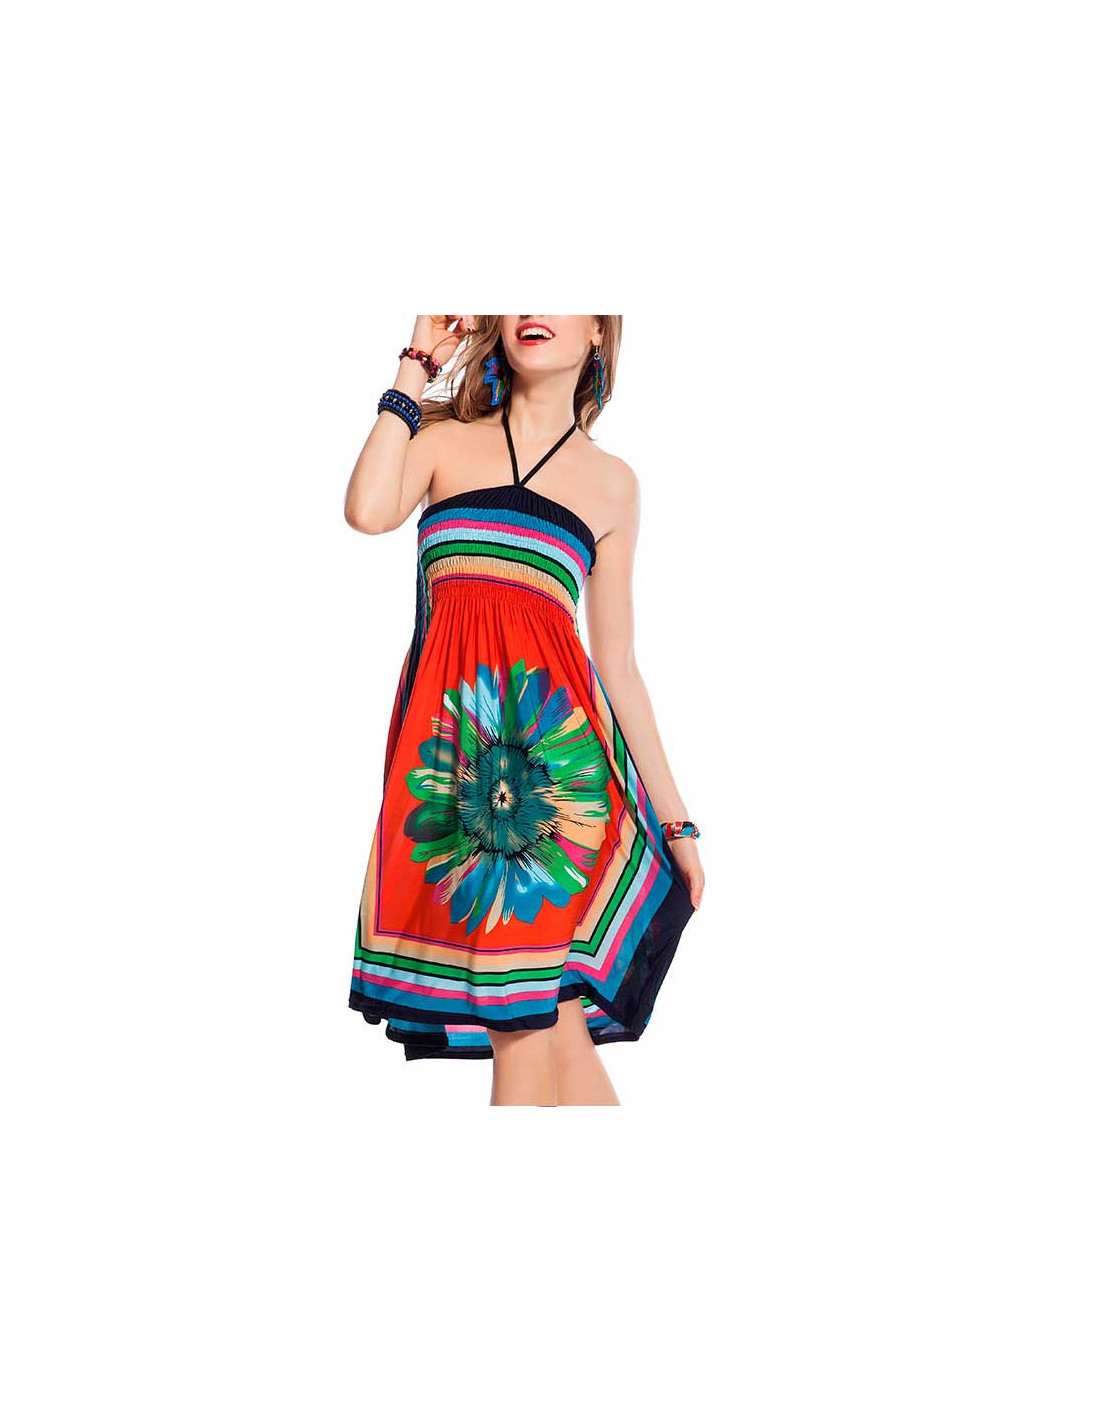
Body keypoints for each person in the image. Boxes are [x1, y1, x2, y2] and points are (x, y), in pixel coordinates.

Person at [345, 316, 704, 1106]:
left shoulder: (612, 485)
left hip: (554, 793)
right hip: (454, 781)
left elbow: (618, 667)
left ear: (600, 332)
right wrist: (415, 363)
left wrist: (677, 823)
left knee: (520, 1023)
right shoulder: (443, 443)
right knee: (553, 1027)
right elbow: (367, 510)